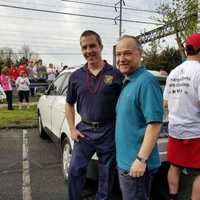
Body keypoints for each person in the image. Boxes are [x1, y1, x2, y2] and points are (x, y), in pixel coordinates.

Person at [65, 30, 123, 200]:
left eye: (92, 46)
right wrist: (71, 129)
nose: (89, 51)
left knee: (106, 174)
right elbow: (69, 104)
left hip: (108, 131)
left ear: (100, 46)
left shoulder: (115, 74)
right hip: (84, 131)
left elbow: (125, 104)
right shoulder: (76, 76)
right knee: (75, 169)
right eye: (84, 47)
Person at [115, 35, 163, 200]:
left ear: (140, 54)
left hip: (136, 167)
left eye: (127, 53)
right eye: (118, 54)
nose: (121, 58)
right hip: (127, 163)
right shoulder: (128, 81)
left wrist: (141, 160)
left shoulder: (146, 82)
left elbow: (155, 124)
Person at [163, 33, 200, 200]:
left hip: (175, 129)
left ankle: (172, 197)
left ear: (186, 51)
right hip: (195, 131)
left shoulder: (173, 72)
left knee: (175, 166)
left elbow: (165, 103)